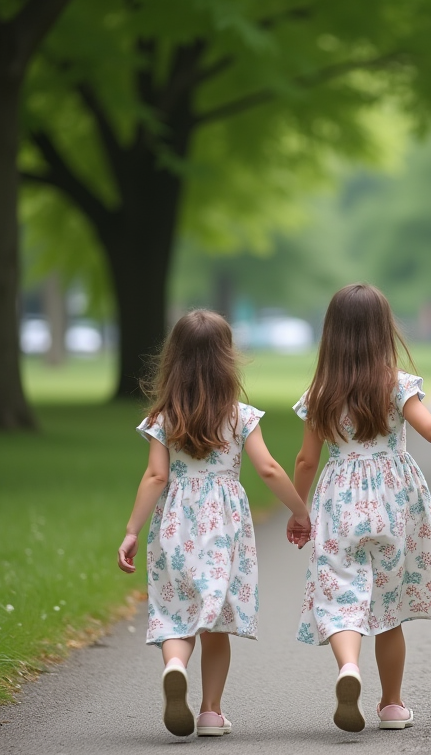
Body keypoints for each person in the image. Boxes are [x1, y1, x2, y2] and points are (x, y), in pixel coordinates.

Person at [286, 284, 431, 732]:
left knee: (340, 596)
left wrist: (299, 510)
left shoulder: (320, 393)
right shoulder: (397, 384)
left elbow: (306, 460)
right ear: (382, 331)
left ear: (332, 334)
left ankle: (349, 668)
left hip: (339, 502)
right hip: (393, 501)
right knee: (388, 607)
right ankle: (391, 705)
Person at [117, 309, 312, 738]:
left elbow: (156, 476)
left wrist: (132, 531)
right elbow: (269, 469)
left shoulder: (163, 418)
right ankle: (210, 712)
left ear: (174, 358)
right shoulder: (241, 416)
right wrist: (300, 510)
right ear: (227, 358)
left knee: (175, 611)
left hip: (175, 524)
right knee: (216, 621)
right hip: (223, 528)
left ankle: (174, 664)